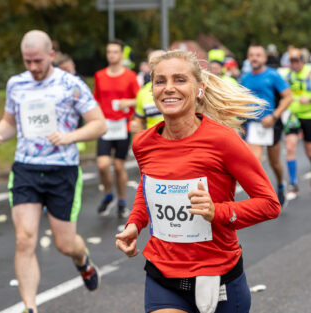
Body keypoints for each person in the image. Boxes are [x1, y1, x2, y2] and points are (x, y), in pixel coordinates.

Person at [116, 50, 281, 313]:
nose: (169, 88)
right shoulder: (143, 142)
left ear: (199, 89)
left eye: (180, 80)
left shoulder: (224, 140)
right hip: (163, 275)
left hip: (219, 278)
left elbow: (270, 204)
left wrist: (218, 211)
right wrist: (135, 223)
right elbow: (149, 189)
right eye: (160, 81)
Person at [0, 30, 106, 312]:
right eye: (27, 62)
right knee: (24, 238)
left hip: (62, 170)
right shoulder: (16, 84)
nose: (33, 68)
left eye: (37, 61)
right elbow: (9, 121)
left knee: (65, 244)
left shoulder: (71, 85)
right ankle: (30, 307)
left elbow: (98, 124)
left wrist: (69, 137)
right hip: (26, 168)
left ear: (51, 54)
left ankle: (82, 261)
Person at [240, 44, 293, 207]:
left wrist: (274, 116)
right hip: (253, 125)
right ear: (248, 58)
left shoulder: (273, 75)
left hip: (271, 125)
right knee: (255, 161)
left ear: (264, 58)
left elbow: (288, 97)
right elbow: (241, 101)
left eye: (258, 55)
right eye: (251, 55)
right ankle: (260, 196)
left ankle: (280, 184)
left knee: (274, 162)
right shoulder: (245, 78)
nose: (254, 58)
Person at [93, 39, 140, 218]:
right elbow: (95, 99)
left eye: (114, 52)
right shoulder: (99, 75)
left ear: (121, 54)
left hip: (122, 126)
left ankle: (121, 201)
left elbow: (140, 100)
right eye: (109, 52)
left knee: (119, 167)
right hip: (105, 126)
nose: (111, 55)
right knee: (103, 165)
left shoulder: (129, 76)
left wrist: (128, 102)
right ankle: (108, 195)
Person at [283, 48, 311, 192]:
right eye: (292, 62)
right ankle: (293, 183)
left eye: (297, 61)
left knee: (309, 149)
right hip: (293, 116)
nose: (294, 64)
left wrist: (310, 99)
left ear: (302, 61)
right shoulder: (287, 74)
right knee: (290, 146)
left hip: (309, 114)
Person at [131, 50, 165, 133]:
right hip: (154, 142)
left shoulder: (180, 87)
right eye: (153, 63)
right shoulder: (143, 92)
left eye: (161, 61)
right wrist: (136, 125)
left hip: (179, 142)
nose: (157, 66)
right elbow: (139, 121)